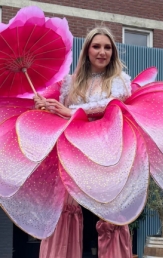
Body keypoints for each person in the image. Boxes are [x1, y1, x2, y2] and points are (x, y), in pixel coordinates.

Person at [35, 26, 132, 258]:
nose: (102, 52)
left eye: (107, 47)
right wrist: (45, 106)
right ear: (87, 50)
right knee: (69, 213)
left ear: (113, 53)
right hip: (73, 158)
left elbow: (111, 105)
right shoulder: (70, 83)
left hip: (105, 159)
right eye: (96, 46)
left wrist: (72, 112)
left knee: (107, 217)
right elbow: (60, 116)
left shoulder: (119, 81)